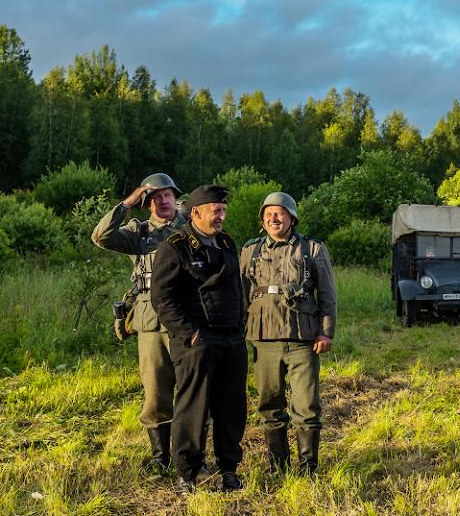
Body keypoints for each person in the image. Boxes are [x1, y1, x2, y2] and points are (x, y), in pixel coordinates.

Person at [150, 184, 249, 494]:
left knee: (231, 408)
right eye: (215, 211)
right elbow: (163, 298)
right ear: (195, 213)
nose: (221, 216)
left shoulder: (227, 243)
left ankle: (229, 470)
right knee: (193, 408)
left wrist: (240, 325)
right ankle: (188, 473)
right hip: (197, 341)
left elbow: (236, 287)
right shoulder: (176, 246)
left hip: (231, 339)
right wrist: (190, 333)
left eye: (223, 211)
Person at [91, 173, 187, 473]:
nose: (163, 199)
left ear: (175, 196)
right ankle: (160, 458)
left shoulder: (191, 225)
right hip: (150, 319)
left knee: (191, 388)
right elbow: (101, 237)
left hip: (187, 315)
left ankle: (189, 455)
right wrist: (126, 204)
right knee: (156, 391)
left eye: (168, 194)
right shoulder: (139, 233)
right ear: (147, 203)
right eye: (156, 196)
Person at [240, 192, 337, 476]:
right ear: (262, 219)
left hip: (302, 339)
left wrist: (326, 332)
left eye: (280, 213)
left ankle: (308, 468)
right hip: (263, 338)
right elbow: (239, 293)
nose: (274, 218)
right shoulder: (250, 250)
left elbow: (328, 295)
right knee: (269, 404)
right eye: (268, 213)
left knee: (306, 406)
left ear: (292, 218)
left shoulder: (312, 249)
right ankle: (277, 466)